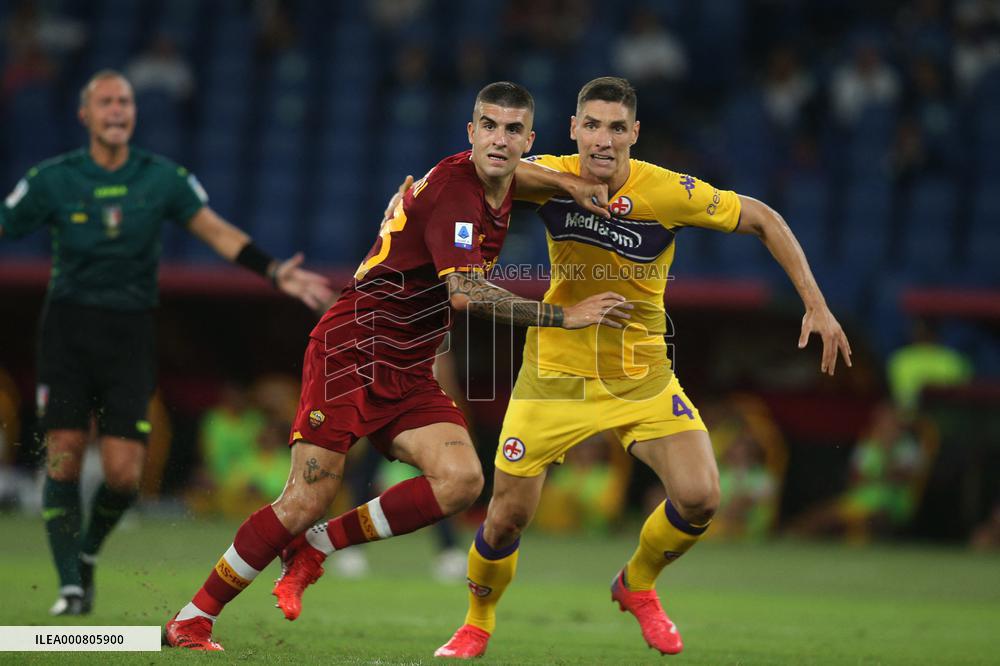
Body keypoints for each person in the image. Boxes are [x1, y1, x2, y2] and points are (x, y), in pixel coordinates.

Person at [164, 81, 629, 651]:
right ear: (471, 132)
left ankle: (317, 547)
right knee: (305, 497)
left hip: (411, 365)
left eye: (513, 130)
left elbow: (521, 176)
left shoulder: (501, 177)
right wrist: (561, 315)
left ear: (528, 140)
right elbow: (464, 292)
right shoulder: (457, 193)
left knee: (461, 480)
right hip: (352, 352)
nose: (500, 140)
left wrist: (568, 182)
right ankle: (193, 618)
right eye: (489, 125)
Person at [429, 77, 853, 658]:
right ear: (574, 129)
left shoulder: (668, 192)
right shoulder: (548, 175)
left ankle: (637, 584)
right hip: (556, 371)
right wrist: (411, 200)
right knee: (506, 518)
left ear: (634, 134)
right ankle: (478, 621)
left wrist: (816, 303)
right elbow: (466, 174)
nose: (603, 140)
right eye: (592, 126)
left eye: (616, 128)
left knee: (702, 494)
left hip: (640, 370)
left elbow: (762, 218)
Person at [0, 69, 333, 617]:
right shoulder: (52, 179)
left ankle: (86, 554)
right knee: (61, 462)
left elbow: (216, 230)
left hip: (129, 335)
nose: (116, 110)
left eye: (125, 102)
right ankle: (70, 588)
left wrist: (275, 272)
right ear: (84, 115)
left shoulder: (161, 178)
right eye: (105, 102)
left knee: (125, 474)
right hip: (66, 332)